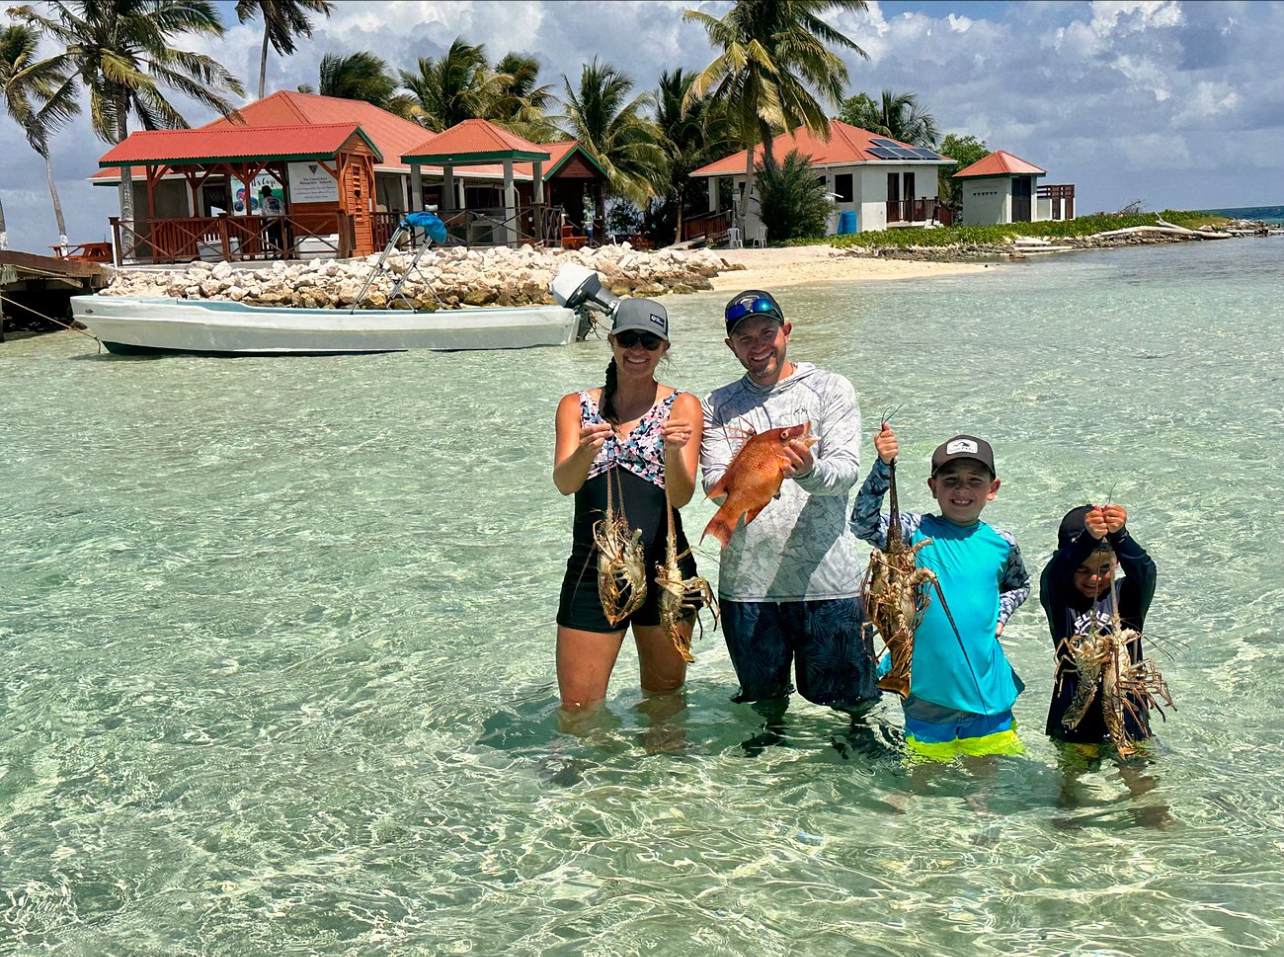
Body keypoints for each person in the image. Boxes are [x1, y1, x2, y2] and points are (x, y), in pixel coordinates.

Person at [700, 290, 876, 747]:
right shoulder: (715, 405)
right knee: (764, 706)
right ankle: (771, 776)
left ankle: (857, 768)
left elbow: (846, 472)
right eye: (745, 338)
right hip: (748, 586)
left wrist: (809, 470)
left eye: (767, 333)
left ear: (786, 332)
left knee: (854, 707)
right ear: (731, 346)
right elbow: (714, 483)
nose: (758, 345)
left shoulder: (831, 388)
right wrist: (756, 474)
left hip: (828, 583)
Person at [553, 299, 703, 715]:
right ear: (612, 341)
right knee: (579, 710)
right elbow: (564, 483)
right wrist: (586, 451)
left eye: (649, 342)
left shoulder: (683, 406)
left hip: (667, 572)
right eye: (628, 339)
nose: (638, 350)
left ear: (664, 348)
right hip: (591, 572)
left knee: (664, 708)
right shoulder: (575, 406)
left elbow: (682, 495)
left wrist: (672, 451)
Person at [851, 427, 1030, 761]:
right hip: (927, 688)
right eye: (950, 480)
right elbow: (863, 523)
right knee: (925, 772)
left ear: (992, 489)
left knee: (989, 772)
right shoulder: (912, 530)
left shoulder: (1003, 542)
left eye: (974, 480)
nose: (962, 489)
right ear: (933, 487)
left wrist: (1001, 616)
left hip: (987, 687)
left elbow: (1019, 585)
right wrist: (883, 467)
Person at [1041, 503, 1158, 749]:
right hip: (1074, 720)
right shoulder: (1060, 598)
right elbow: (1054, 574)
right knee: (1073, 772)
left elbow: (1145, 571)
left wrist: (1121, 536)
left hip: (1128, 720)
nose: (1094, 578)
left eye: (1105, 568)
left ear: (1117, 563)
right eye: (1082, 569)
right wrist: (1087, 540)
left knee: (1137, 770)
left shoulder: (1127, 597)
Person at [259, 184, 285, 254]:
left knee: (272, 237)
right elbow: (283, 210)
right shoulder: (277, 199)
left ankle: (274, 252)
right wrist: (282, 218)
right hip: (279, 219)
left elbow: (264, 211)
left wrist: (265, 218)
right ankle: (282, 252)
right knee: (280, 236)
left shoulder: (264, 200)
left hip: (270, 220)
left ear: (264, 193)